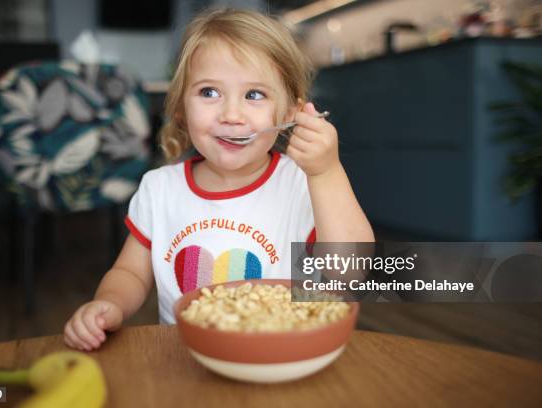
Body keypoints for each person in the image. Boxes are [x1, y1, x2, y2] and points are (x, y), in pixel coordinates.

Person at [64, 8, 374, 351]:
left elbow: (351, 274)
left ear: (289, 114)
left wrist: (327, 172)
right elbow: (131, 274)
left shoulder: (302, 184)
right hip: (186, 358)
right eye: (209, 92)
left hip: (279, 352)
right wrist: (109, 304)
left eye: (254, 95)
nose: (230, 115)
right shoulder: (159, 189)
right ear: (182, 107)